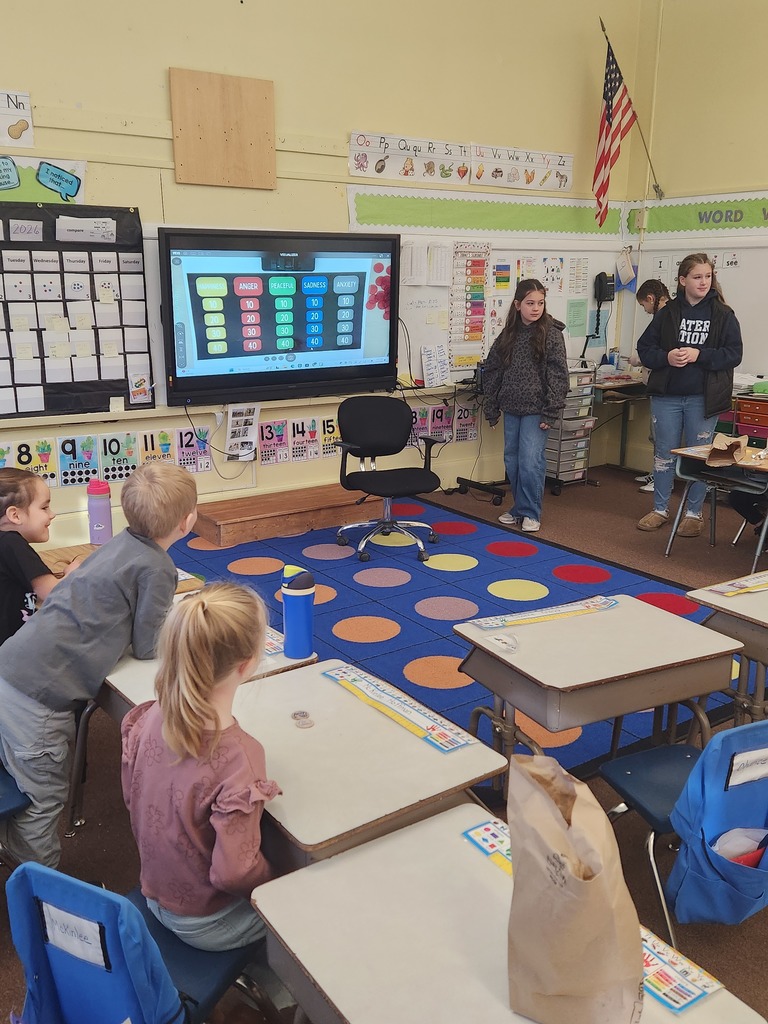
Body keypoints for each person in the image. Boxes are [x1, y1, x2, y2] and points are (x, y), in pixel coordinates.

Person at [0, 462, 198, 868]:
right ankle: (38, 889)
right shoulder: (159, 568)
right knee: (44, 797)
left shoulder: (118, 543)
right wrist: (183, 625)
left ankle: (18, 854)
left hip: (13, 667)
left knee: (24, 779)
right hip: (37, 699)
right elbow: (147, 646)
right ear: (187, 520)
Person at [121, 582, 280, 951]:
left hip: (153, 892)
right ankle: (275, 988)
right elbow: (234, 873)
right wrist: (282, 882)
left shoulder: (152, 715)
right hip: (207, 922)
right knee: (308, 905)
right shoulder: (240, 756)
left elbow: (133, 797)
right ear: (247, 663)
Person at [636, 253, 743, 536]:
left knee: (699, 456)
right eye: (697, 277)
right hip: (667, 396)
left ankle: (694, 513)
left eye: (708, 276)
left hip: (703, 398)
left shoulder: (723, 314)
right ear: (683, 280)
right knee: (664, 454)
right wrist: (666, 357)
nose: (704, 282)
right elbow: (645, 348)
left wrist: (700, 355)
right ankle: (660, 508)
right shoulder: (667, 313)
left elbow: (734, 354)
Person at [483, 279, 570, 533]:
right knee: (513, 460)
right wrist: (492, 404)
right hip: (512, 405)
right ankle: (519, 507)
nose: (536, 308)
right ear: (518, 304)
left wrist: (551, 409)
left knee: (531, 460)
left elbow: (559, 374)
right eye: (530, 303)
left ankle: (531, 511)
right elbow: (493, 369)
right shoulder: (508, 334)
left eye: (540, 303)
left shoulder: (551, 333)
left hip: (537, 409)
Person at [0, 468, 81, 645]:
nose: (52, 514)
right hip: (12, 655)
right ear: (15, 515)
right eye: (44, 507)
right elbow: (54, 593)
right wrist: (73, 571)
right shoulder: (12, 544)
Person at [629, 280, 671, 493]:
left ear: (651, 299)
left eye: (643, 306)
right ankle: (657, 473)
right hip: (656, 386)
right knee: (656, 436)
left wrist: (637, 358)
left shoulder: (666, 318)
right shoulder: (660, 319)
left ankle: (663, 479)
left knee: (662, 436)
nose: (644, 310)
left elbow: (650, 354)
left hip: (664, 387)